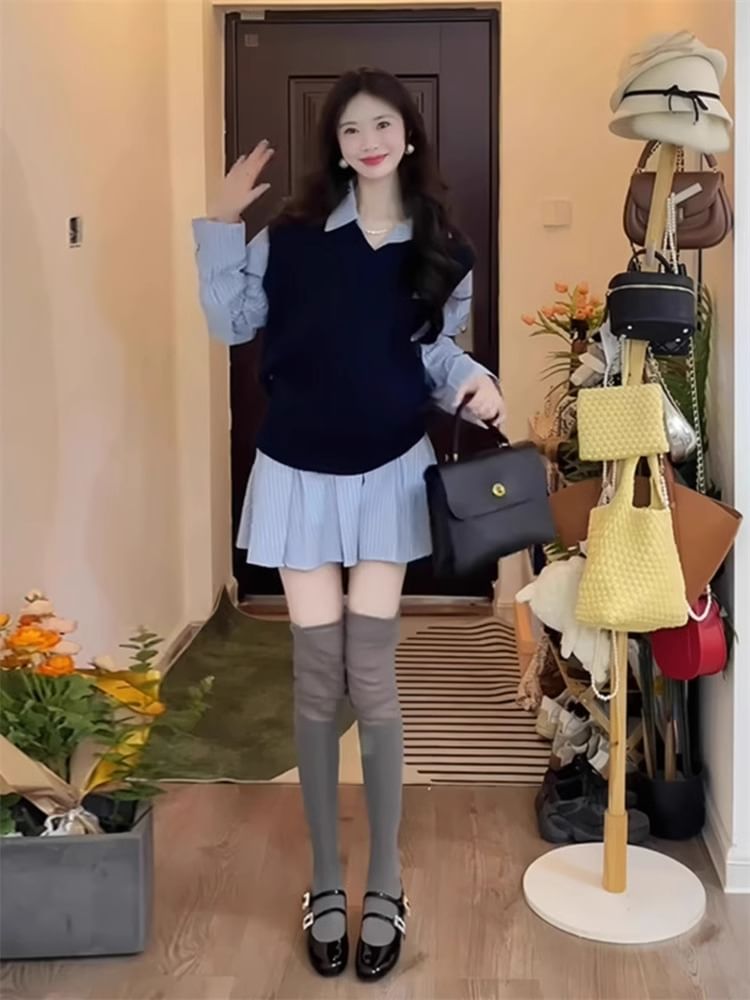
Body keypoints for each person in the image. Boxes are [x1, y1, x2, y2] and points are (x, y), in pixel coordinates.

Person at [192, 67, 505, 982]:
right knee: (315, 680)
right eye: (351, 129)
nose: (368, 141)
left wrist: (474, 383)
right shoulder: (290, 240)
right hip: (295, 475)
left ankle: (387, 879)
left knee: (372, 680)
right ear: (335, 144)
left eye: (383, 125)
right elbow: (233, 322)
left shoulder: (442, 246)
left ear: (408, 135)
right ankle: (326, 879)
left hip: (387, 477)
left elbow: (435, 353)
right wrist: (218, 224)